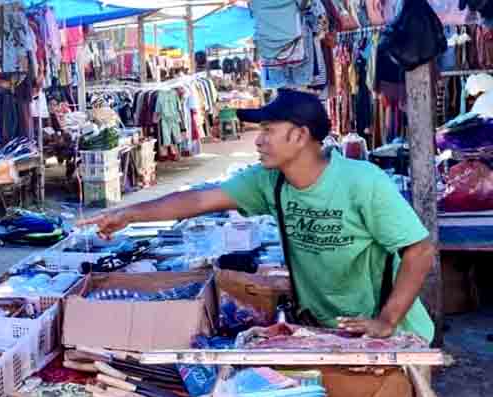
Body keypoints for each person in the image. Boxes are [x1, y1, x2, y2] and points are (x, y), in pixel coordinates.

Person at [79, 89, 437, 342]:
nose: (258, 140)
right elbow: (200, 200)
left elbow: (419, 250)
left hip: (393, 335)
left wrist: (386, 320)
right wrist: (129, 214)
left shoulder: (362, 182)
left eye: (268, 130)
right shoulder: (270, 182)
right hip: (326, 330)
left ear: (299, 136)